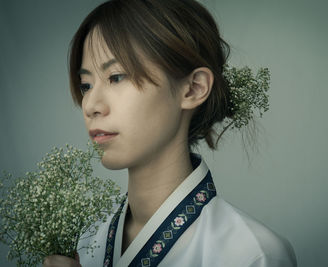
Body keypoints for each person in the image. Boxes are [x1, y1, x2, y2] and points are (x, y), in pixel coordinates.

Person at [43, 0, 297, 266]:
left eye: (116, 77)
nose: (91, 106)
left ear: (193, 89)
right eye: (85, 85)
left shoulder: (251, 254)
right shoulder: (84, 242)